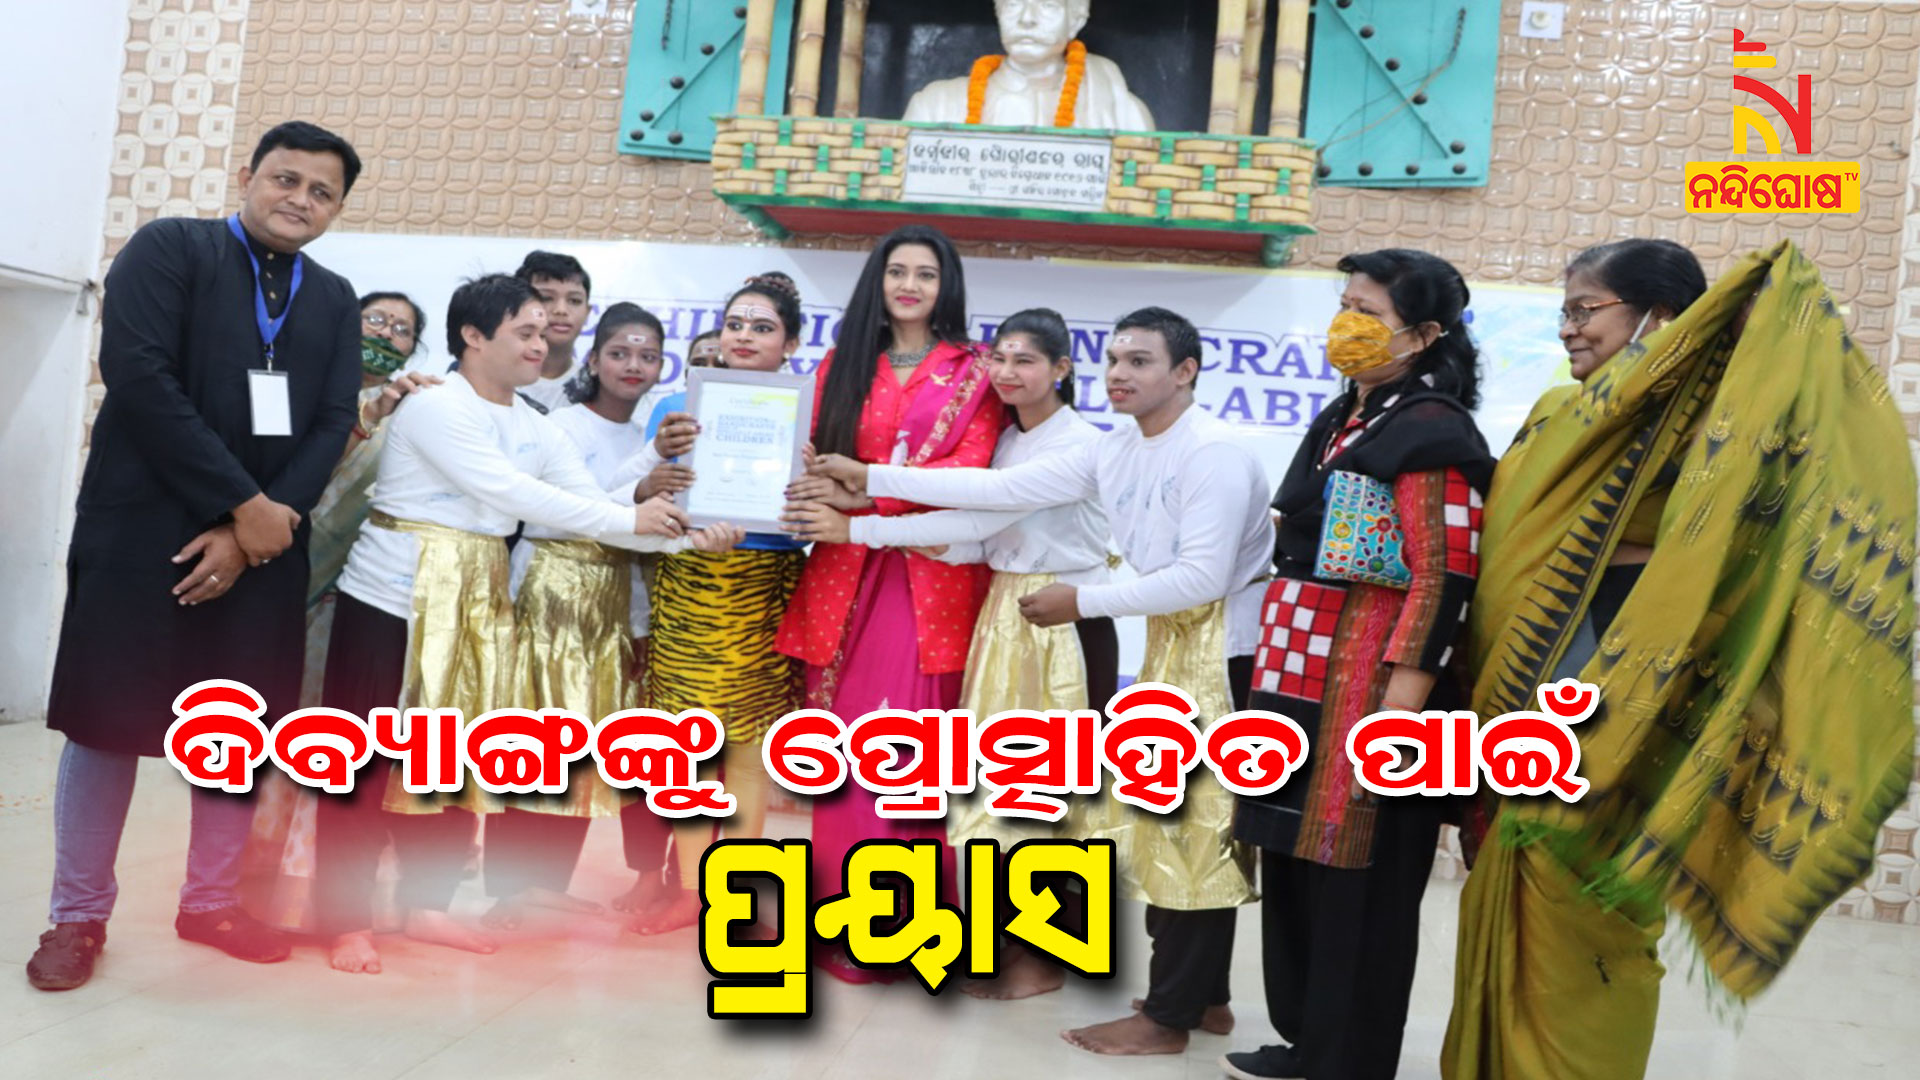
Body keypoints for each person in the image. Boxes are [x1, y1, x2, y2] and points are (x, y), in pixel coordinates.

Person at [1443, 239, 1916, 1079]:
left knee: (1595, 896)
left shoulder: (1727, 425)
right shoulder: (1561, 413)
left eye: (1586, 310)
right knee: (1519, 865)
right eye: (1564, 311)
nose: (1568, 329)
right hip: (1538, 673)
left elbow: (1787, 511)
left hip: (1642, 686)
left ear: (1659, 316)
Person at [806, 307, 1273, 1054]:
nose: (1120, 373)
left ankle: (1167, 1010)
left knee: (1184, 820)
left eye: (1141, 361)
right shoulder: (1118, 446)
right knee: (1163, 816)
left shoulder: (1209, 451)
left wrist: (1081, 602)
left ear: (1185, 372)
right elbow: (997, 494)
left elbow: (1203, 577)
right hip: (1163, 638)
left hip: (1220, 649)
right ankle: (1198, 998)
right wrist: (870, 483)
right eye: (1115, 359)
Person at [316, 274, 741, 976]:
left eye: (545, 333)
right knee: (360, 766)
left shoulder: (535, 424)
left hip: (480, 603)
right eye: (526, 332)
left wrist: (687, 539)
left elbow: (587, 508)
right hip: (392, 599)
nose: (542, 345)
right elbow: (515, 493)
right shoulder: (436, 405)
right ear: (473, 336)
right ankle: (347, 921)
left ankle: (427, 905)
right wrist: (640, 519)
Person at [28, 121, 366, 992]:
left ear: (337, 209)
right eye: (285, 179)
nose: (299, 200)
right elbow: (140, 377)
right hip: (140, 531)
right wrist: (244, 507)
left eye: (321, 192)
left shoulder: (333, 298)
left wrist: (267, 521)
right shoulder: (170, 248)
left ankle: (211, 903)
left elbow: (335, 418)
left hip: (267, 548)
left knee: (237, 732)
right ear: (247, 174)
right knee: (106, 724)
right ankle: (76, 917)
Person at [785, 307, 1115, 999]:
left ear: (1061, 368)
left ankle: (1044, 957)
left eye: (1027, 360)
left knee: (1051, 792)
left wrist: (867, 493)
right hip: (1006, 616)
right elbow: (977, 531)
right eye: (1000, 359)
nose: (1008, 373)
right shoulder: (1011, 439)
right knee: (998, 794)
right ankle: (1002, 943)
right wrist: (892, 529)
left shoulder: (1081, 445)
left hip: (1063, 622)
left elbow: (992, 498)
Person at [1222, 250, 1495, 1080]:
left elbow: (1445, 575)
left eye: (1369, 312)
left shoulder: (1433, 430)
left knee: (1361, 877)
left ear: (1426, 333)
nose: (1348, 325)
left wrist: (1398, 711)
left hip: (1370, 686)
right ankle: (1307, 1041)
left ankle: (1349, 1059)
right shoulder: (1347, 414)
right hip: (1300, 673)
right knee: (1296, 857)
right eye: (1344, 305)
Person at [772, 225, 1006, 982]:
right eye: (897, 271)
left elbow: (971, 470)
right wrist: (810, 484)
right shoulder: (844, 361)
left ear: (947, 287)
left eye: (926, 274)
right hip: (841, 569)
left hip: (926, 575)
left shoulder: (976, 372)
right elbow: (806, 450)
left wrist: (865, 494)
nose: (910, 285)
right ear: (877, 280)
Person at [242, 291, 438, 932]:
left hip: (358, 604)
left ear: (414, 348)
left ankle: (308, 897)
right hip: (278, 589)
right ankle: (250, 883)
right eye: (375, 320)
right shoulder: (307, 401)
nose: (386, 333)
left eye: (402, 329)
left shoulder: (418, 417)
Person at [480, 302, 676, 931]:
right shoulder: (562, 425)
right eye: (619, 352)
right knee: (537, 736)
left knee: (585, 746)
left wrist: (639, 624)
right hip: (552, 581)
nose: (633, 365)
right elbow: (566, 509)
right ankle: (510, 887)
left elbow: (640, 540)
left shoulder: (650, 433)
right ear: (594, 359)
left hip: (617, 589)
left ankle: (546, 882)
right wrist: (639, 489)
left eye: (647, 356)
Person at [629, 273, 813, 935]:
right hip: (689, 580)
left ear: (790, 343)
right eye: (736, 324)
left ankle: (735, 892)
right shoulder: (675, 408)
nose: (744, 336)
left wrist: (810, 486)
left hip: (765, 584)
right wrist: (661, 491)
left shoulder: (809, 413)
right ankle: (688, 892)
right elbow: (642, 494)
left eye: (762, 327)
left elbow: (821, 509)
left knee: (749, 747)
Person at [903, 0, 1154, 129]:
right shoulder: (935, 106)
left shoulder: (1122, 112)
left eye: (1047, 5)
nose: (1027, 19)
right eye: (1013, 4)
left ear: (1076, 21)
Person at [515, 251, 593, 413]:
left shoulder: (597, 388)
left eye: (574, 301)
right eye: (546, 298)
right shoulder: (493, 380)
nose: (561, 310)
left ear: (587, 312)